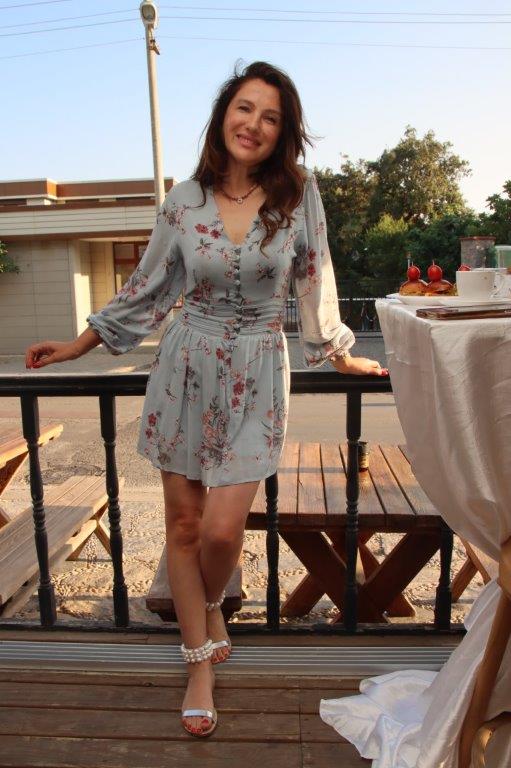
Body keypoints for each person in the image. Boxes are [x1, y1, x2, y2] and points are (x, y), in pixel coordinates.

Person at [25, 61, 387, 738]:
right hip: (186, 366)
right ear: (223, 115)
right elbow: (147, 286)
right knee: (186, 528)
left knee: (222, 531)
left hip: (259, 368)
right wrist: (79, 344)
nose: (254, 124)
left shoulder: (297, 193)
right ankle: (198, 662)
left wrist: (340, 352)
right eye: (244, 108)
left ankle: (212, 601)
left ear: (283, 131)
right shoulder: (183, 200)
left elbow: (315, 276)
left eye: (271, 116)